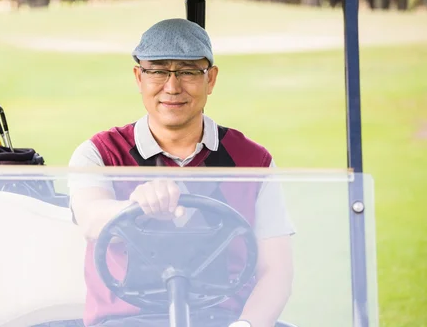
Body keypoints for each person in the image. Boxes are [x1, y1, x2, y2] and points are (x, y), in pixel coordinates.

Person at [68, 18, 295, 327]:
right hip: (127, 321)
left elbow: (276, 271)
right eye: (158, 71)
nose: (172, 87)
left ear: (211, 79)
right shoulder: (99, 153)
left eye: (188, 72)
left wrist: (246, 325)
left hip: (226, 320)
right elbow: (92, 219)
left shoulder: (254, 161)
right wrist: (135, 207)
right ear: (139, 77)